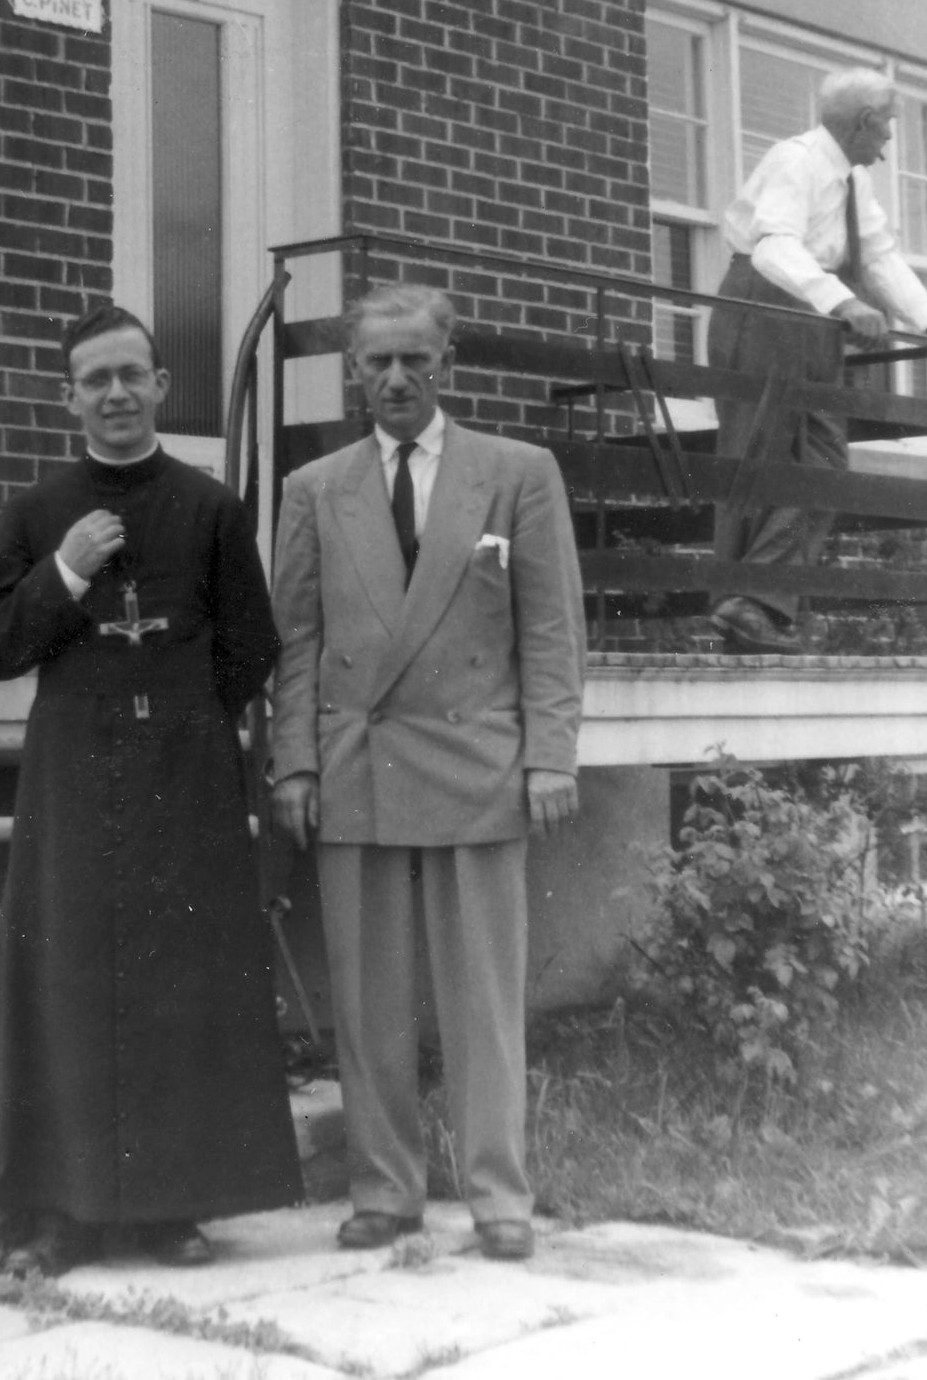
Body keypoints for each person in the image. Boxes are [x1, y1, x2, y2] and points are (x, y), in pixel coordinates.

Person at [0, 305, 302, 1269]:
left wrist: (172, 714)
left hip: (184, 774)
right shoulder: (38, 511)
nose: (116, 393)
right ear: (69, 398)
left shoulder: (210, 506)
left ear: (162, 385)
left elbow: (249, 646)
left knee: (182, 984)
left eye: (131, 374)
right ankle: (64, 1210)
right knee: (69, 985)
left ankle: (169, 1207)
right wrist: (63, 570)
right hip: (73, 780)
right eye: (95, 379)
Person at [269, 283, 584, 1262]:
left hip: (475, 755)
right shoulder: (314, 487)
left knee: (481, 994)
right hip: (356, 757)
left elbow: (549, 627)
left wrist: (547, 753)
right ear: (353, 370)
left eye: (414, 358)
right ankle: (382, 1185)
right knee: (366, 1001)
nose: (395, 377)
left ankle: (498, 1194)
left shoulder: (516, 473)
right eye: (376, 361)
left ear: (445, 362)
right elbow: (296, 642)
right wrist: (291, 760)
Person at [709, 67, 927, 654]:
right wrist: (844, 300)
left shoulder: (854, 183)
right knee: (764, 452)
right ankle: (748, 606)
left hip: (811, 314)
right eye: (886, 126)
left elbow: (881, 258)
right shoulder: (798, 161)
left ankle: (756, 601)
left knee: (825, 459)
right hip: (765, 306)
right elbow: (773, 245)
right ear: (863, 122)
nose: (888, 143)